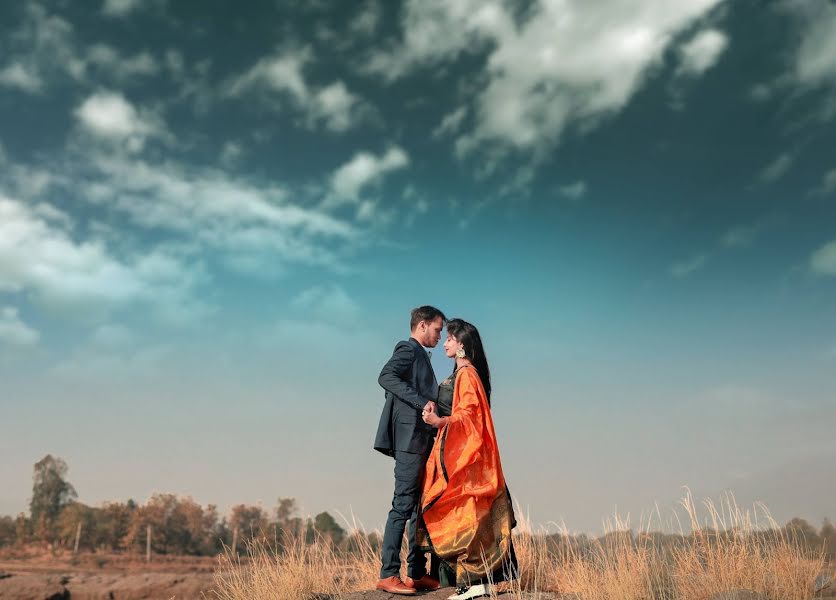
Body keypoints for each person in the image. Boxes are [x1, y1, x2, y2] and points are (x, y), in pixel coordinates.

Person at [419, 318, 517, 600]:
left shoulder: (467, 375)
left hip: (468, 456)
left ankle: (474, 581)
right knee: (464, 513)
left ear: (461, 344)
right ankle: (473, 582)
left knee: (467, 514)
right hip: (462, 452)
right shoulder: (463, 373)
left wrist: (439, 421)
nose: (445, 343)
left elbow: (469, 417)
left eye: (449, 339)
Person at [374, 305, 446, 595]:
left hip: (421, 440)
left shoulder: (421, 356)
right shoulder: (408, 349)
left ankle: (416, 573)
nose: (440, 336)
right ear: (422, 325)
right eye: (438, 329)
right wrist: (421, 402)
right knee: (403, 505)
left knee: (418, 508)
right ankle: (388, 574)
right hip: (409, 442)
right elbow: (386, 376)